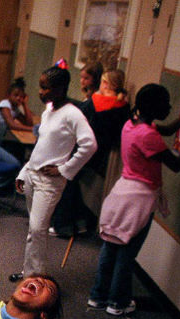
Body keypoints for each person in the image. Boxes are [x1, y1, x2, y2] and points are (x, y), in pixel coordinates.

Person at [89, 84, 180, 316]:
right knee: (127, 253)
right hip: (140, 199)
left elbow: (166, 129)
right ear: (153, 106)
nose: (169, 106)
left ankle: (98, 296)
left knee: (112, 245)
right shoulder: (148, 136)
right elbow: (176, 165)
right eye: (165, 103)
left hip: (121, 194)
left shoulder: (132, 124)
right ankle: (117, 302)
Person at [11, 65, 97, 281]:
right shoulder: (49, 110)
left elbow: (90, 145)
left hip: (50, 182)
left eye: (45, 88)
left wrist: (64, 169)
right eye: (40, 87)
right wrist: (24, 172)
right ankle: (28, 273)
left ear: (60, 89)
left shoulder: (73, 114)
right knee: (33, 230)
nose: (40, 92)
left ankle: (36, 279)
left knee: (38, 230)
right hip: (32, 174)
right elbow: (42, 147)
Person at [51, 69, 133, 238]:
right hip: (101, 155)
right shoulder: (123, 106)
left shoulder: (95, 102)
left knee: (67, 182)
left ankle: (63, 225)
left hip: (84, 150)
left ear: (107, 84)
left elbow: (77, 118)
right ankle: (81, 221)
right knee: (74, 185)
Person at [0, 77, 33, 190]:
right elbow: (12, 124)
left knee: (18, 150)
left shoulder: (15, 109)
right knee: (15, 162)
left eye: (21, 97)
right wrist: (31, 129)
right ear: (9, 96)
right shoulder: (4, 104)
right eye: (15, 95)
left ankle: (5, 184)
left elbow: (29, 122)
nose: (18, 99)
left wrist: (25, 105)